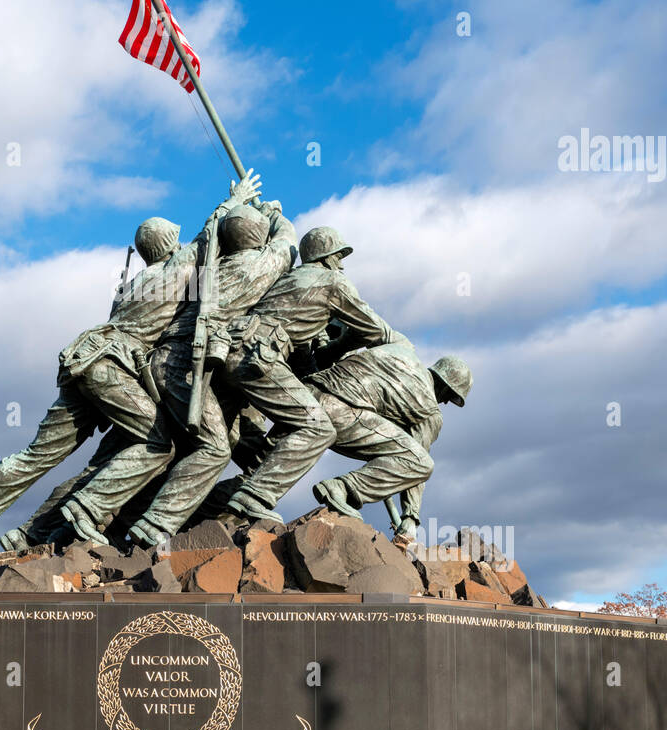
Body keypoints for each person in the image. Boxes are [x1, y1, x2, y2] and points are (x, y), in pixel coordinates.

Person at [0, 170, 263, 560]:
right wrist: (236, 200)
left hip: (82, 359)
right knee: (157, 443)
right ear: (170, 244)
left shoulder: (133, 285)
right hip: (109, 365)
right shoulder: (177, 270)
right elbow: (211, 235)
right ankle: (87, 510)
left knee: (40, 455)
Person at [59, 200, 297, 547]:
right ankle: (149, 524)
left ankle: (109, 517)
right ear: (258, 238)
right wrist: (275, 213)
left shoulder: (204, 273)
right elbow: (286, 245)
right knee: (213, 447)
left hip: (159, 364)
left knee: (185, 446)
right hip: (184, 364)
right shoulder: (258, 265)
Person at [219, 225, 399, 523]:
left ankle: (211, 510)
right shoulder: (333, 282)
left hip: (233, 351)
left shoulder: (289, 280)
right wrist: (399, 345)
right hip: (258, 357)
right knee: (319, 428)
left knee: (246, 448)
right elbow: (374, 329)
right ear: (326, 257)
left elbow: (301, 351)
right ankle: (253, 497)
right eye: (338, 256)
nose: (341, 264)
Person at [304, 338, 472, 540]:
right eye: (451, 396)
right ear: (445, 386)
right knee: (422, 463)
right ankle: (343, 488)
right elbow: (415, 463)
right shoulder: (429, 409)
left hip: (307, 392)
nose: (445, 402)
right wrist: (410, 517)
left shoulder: (401, 357)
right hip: (340, 413)